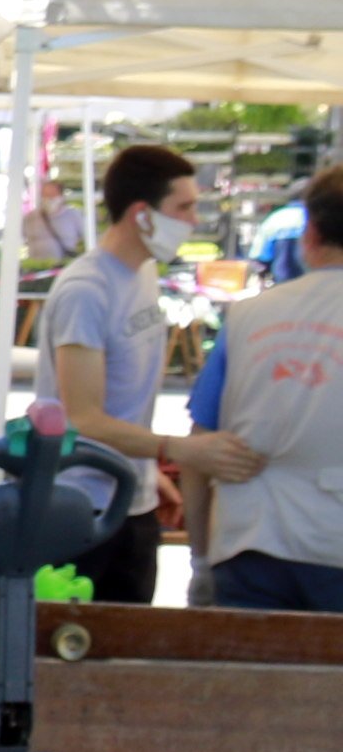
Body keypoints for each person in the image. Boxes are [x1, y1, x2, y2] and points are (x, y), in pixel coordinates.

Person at [173, 163, 343, 611]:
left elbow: (199, 448)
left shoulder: (247, 317)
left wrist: (200, 560)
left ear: (310, 236)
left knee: (248, 679)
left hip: (249, 543)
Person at [40, 140, 200, 606]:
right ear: (142, 214)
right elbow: (84, 419)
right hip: (80, 510)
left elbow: (123, 405)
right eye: (184, 207)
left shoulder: (144, 273)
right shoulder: (86, 291)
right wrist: (180, 450)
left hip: (133, 500)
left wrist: (149, 473)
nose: (193, 220)